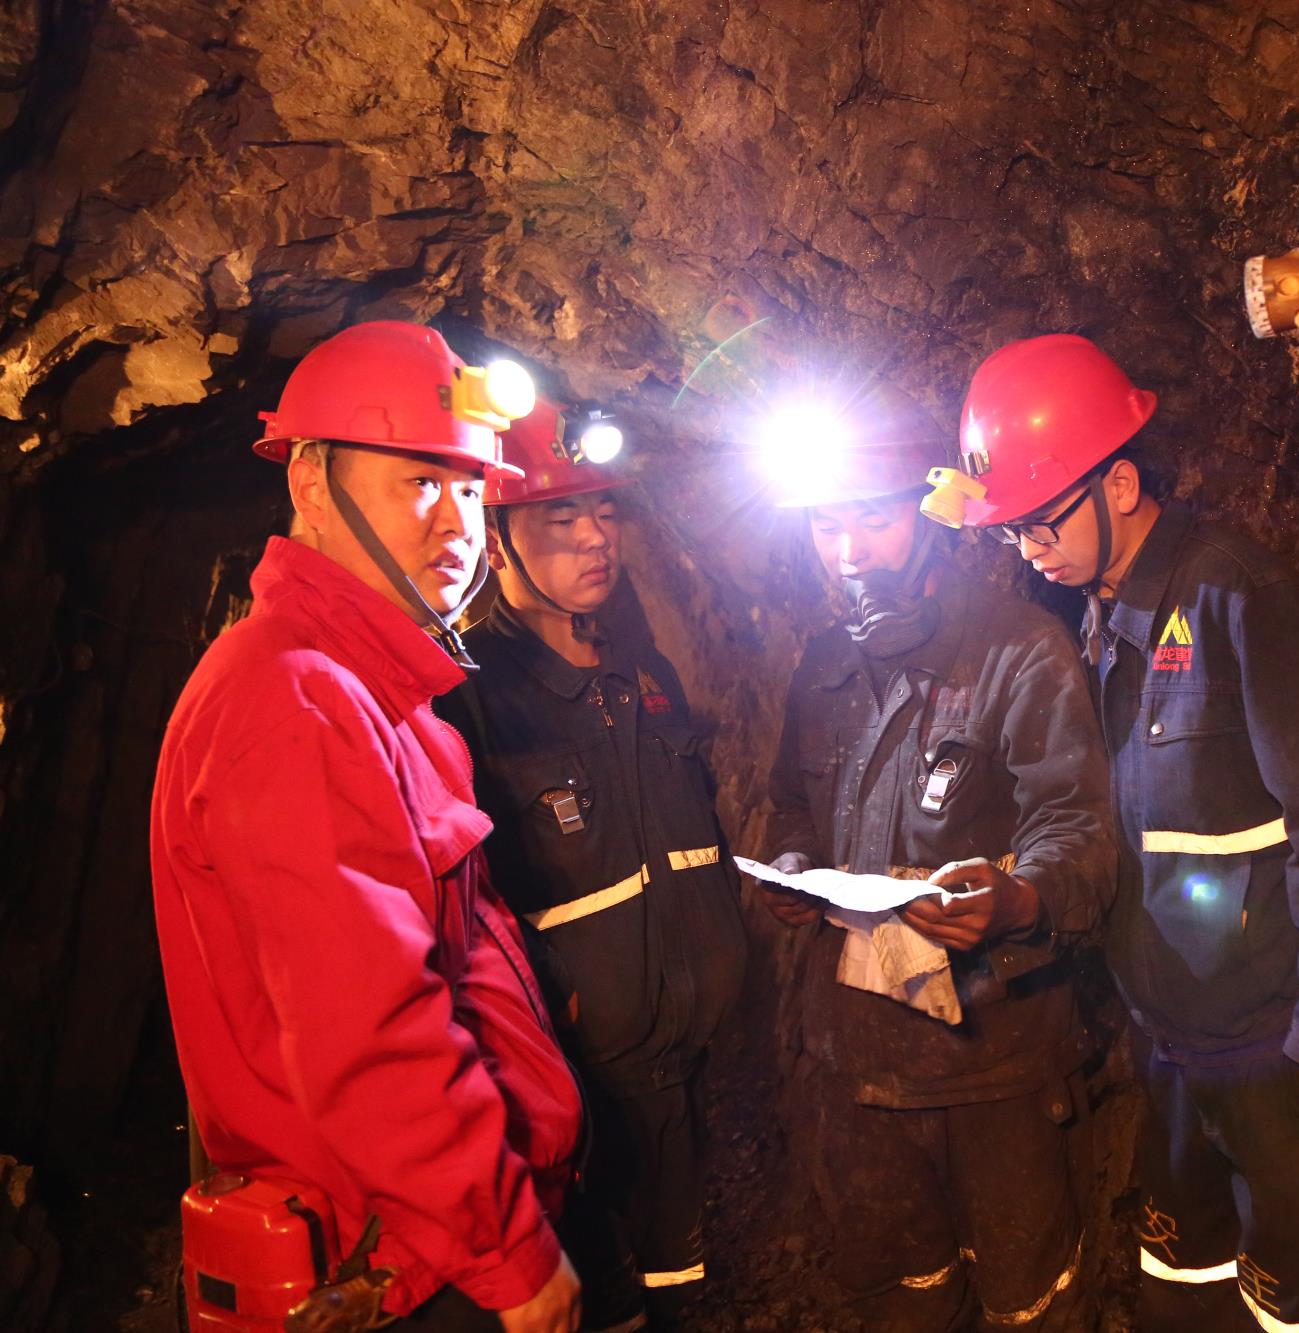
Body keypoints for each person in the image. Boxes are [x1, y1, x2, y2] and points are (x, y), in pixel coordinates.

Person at [923, 335, 1299, 1333]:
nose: (1029, 547)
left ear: (1121, 483)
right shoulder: (1098, 622)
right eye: (1011, 530)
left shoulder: (1239, 598)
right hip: (1174, 1041)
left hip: (1277, 1046)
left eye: (1042, 519)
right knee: (1186, 1286)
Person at [151, 321, 584, 1331]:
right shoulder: (294, 699)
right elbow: (369, 1031)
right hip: (407, 1258)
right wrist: (511, 1255)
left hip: (431, 1233)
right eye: (420, 482)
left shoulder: (368, 691)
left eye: (471, 489)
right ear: (311, 483)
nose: (458, 525)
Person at [754, 379, 1116, 1331]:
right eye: (826, 525)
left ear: (930, 515)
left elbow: (1079, 826)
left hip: (996, 1060)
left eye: (871, 520)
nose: (848, 552)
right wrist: (791, 864)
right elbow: (791, 804)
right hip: (859, 1062)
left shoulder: (1019, 651)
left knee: (1029, 1303)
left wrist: (1018, 898)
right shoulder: (823, 666)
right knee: (904, 1297)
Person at [435, 400, 748, 1329]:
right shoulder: (468, 699)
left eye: (605, 511)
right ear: (497, 540)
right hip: (574, 1076)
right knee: (601, 1289)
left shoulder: (645, 673)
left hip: (680, 1042)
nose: (595, 537)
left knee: (676, 1274)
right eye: (560, 517)